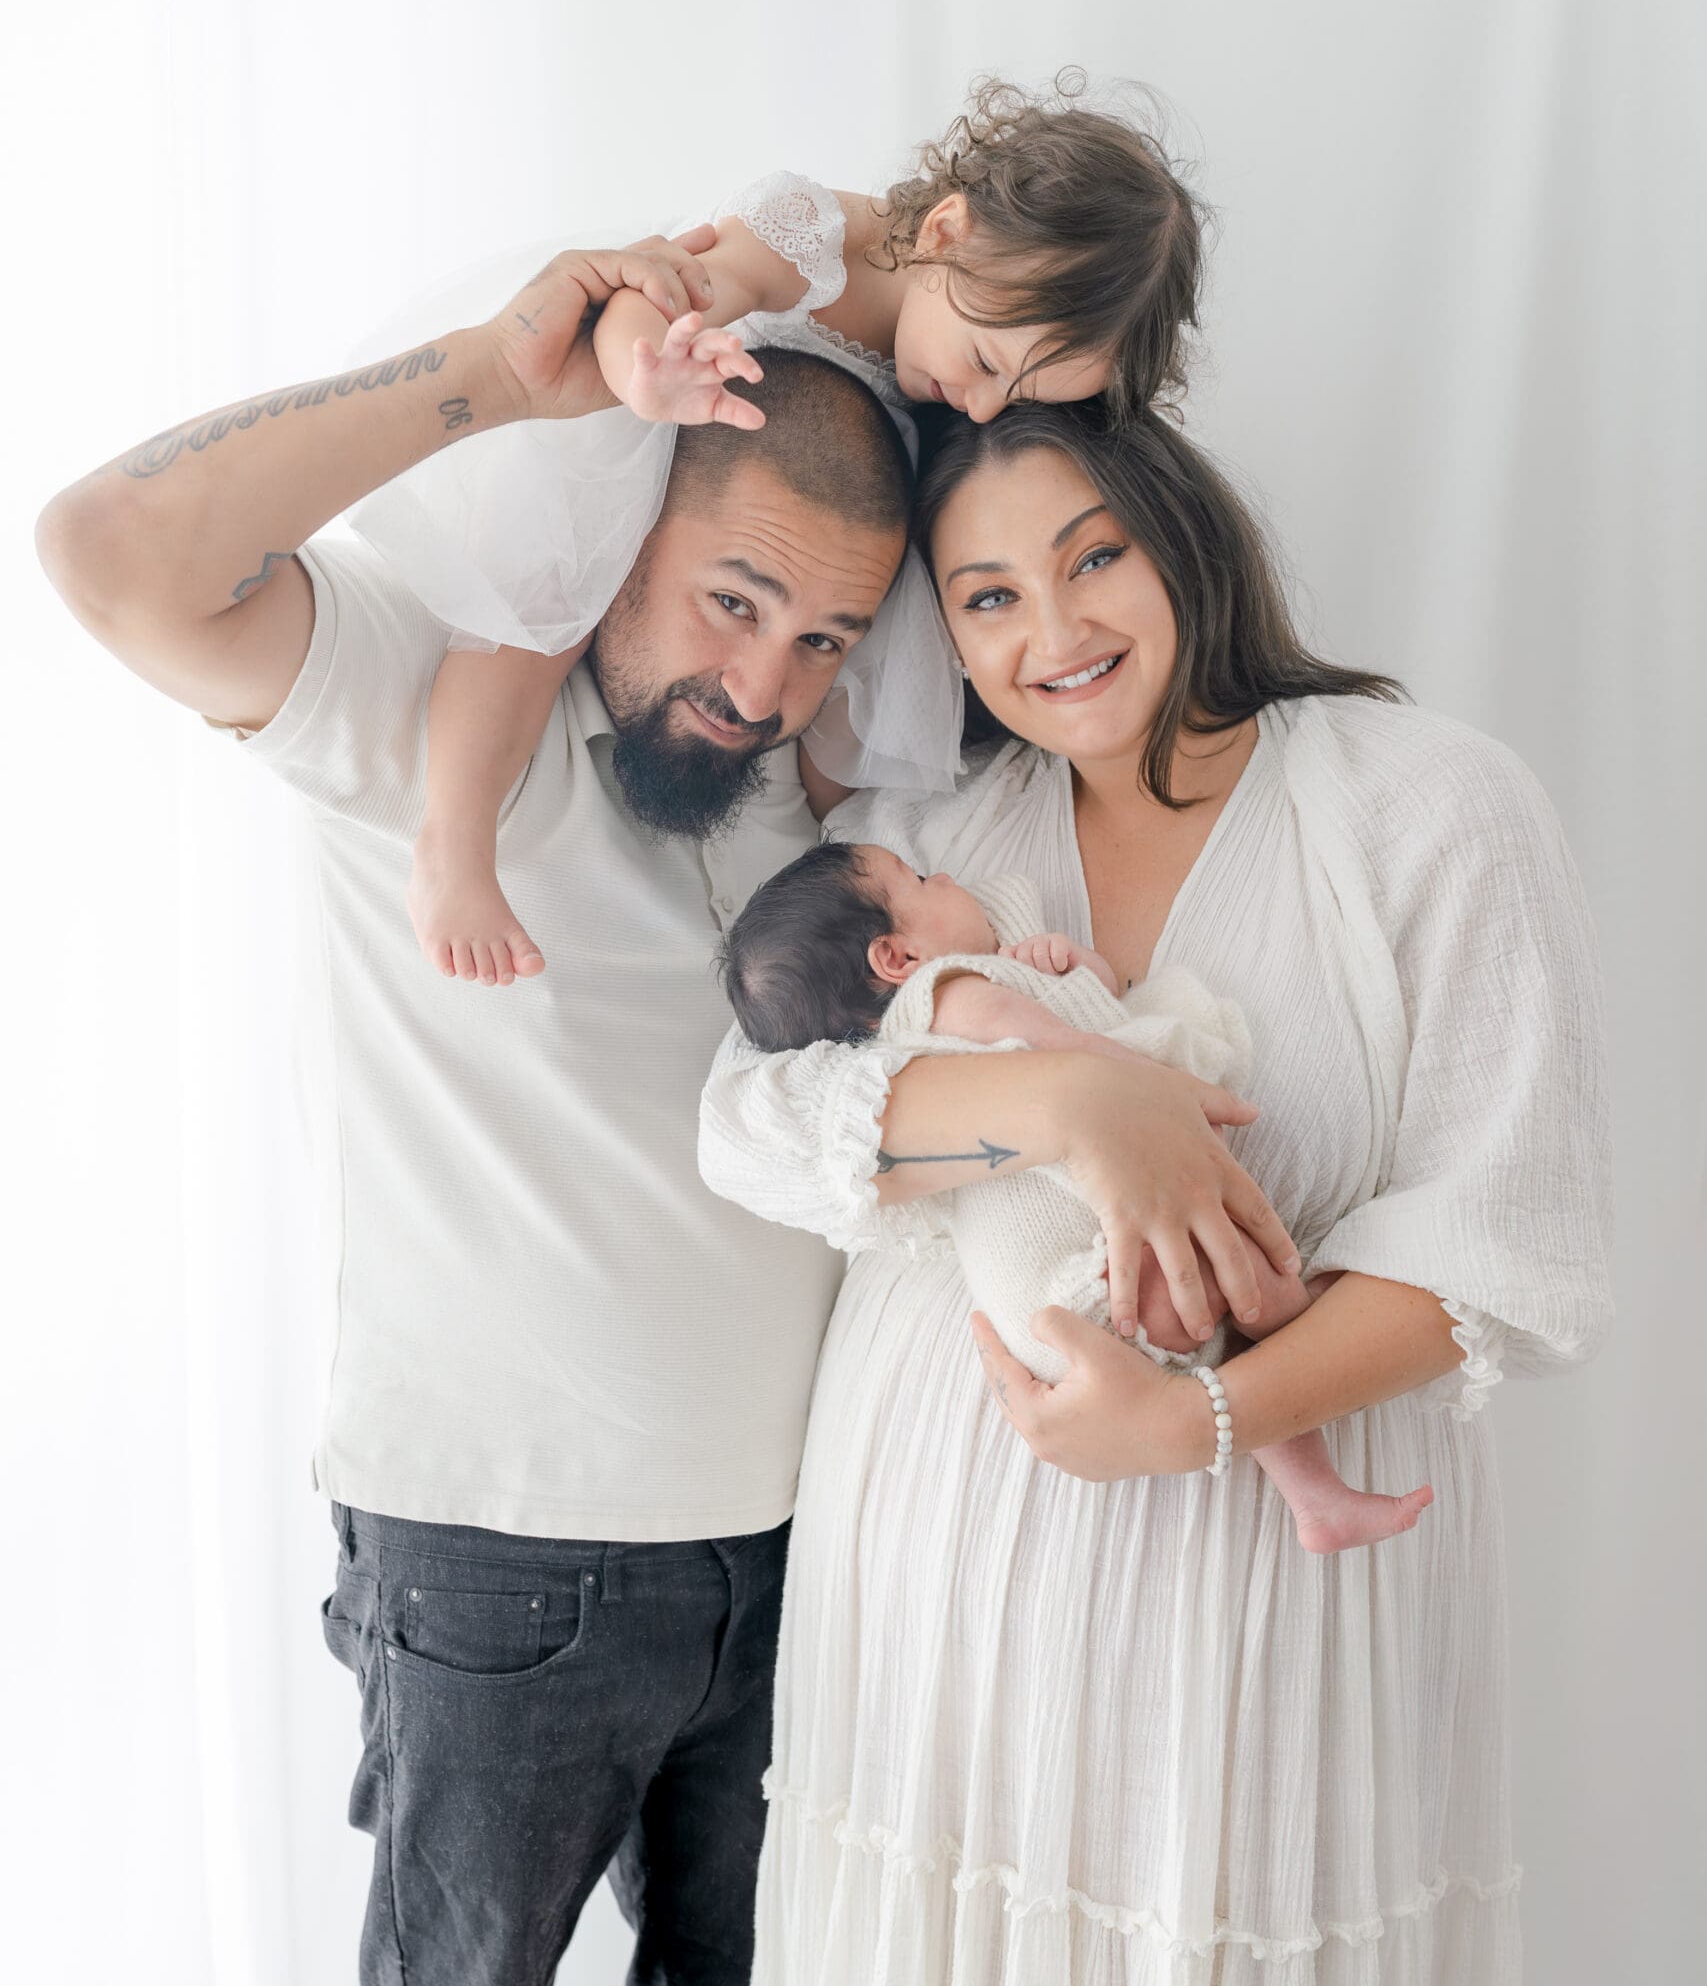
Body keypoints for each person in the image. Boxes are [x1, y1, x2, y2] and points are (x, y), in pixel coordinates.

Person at [34, 238, 1286, 1986]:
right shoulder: (424, 715)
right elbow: (106, 550)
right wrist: (496, 373)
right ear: (613, 537)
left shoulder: (819, 810)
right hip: (498, 1572)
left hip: (798, 1564)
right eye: (729, 602)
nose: (763, 687)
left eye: (825, 634)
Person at [699, 399, 1614, 1985]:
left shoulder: (1430, 807)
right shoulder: (925, 840)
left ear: (1184, 541)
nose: (1048, 631)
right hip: (925, 1620)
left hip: (1256, 1621)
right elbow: (753, 1129)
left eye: (1090, 558)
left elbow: (1506, 1236)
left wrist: (1199, 1424)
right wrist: (1070, 1104)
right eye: (985, 597)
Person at [351, 76, 1207, 985]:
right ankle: (453, 842)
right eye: (987, 363)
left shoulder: (976, 369)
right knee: (535, 618)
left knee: (849, 742)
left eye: (1027, 396)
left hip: (842, 527)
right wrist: (649, 377)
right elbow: (653, 294)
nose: (988, 405)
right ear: (946, 234)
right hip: (680, 433)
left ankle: (848, 941)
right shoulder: (811, 234)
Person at [719, 837, 1435, 1556]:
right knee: (1261, 1292)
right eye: (923, 880)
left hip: (1046, 1311)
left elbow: (1096, 999)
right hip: (1080, 1285)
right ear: (896, 959)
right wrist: (1170, 1095)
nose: (948, 877)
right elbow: (1078, 1052)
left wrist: (1072, 965)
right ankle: (1317, 1475)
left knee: (1239, 1305)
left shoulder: (924, 1033)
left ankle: (1315, 1498)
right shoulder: (955, 994)